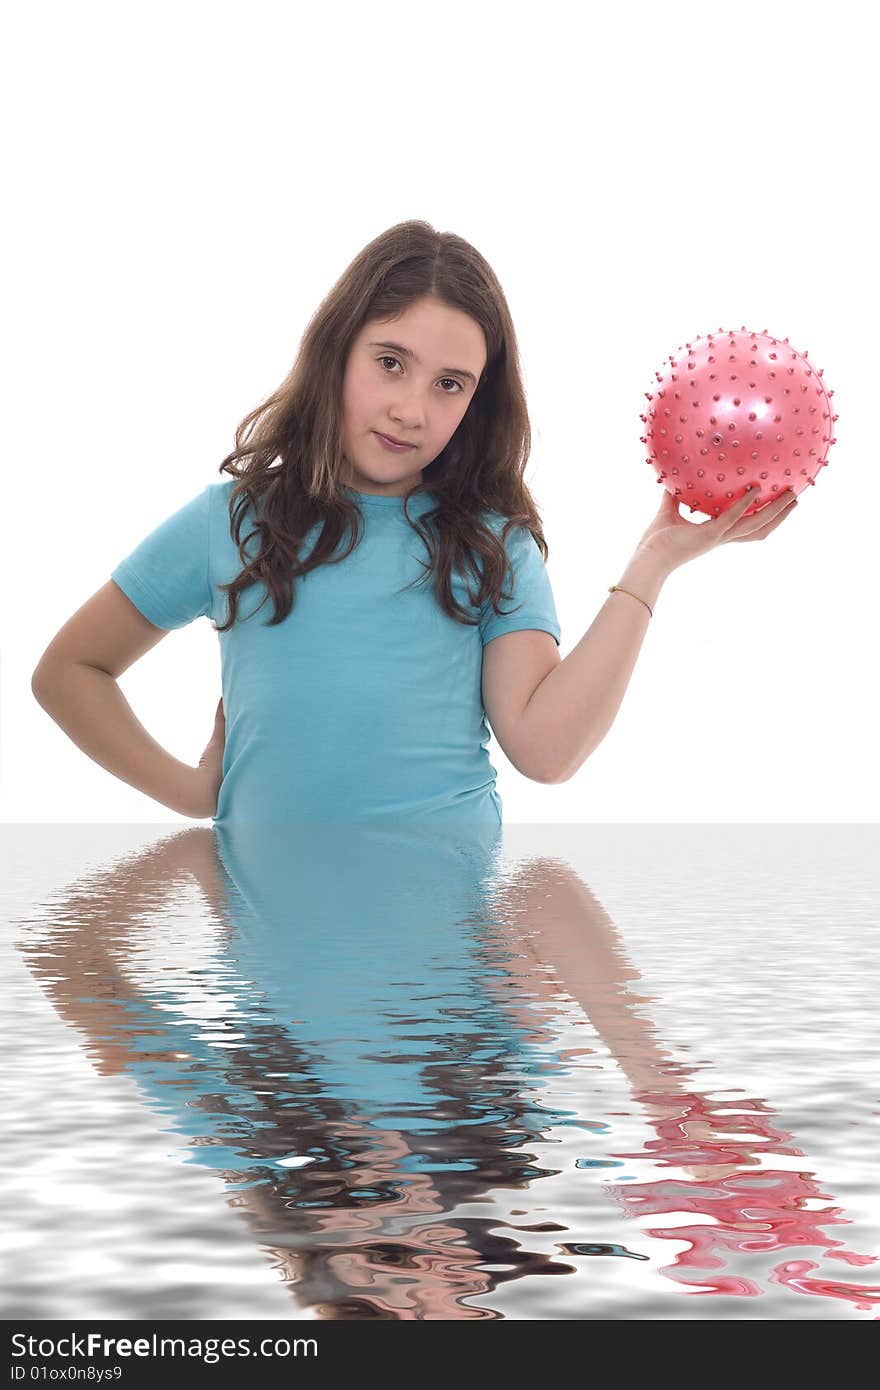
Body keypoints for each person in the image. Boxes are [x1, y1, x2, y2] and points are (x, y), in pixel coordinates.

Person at [30, 220, 798, 827]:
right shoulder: (232, 523)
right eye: (390, 363)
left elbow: (547, 749)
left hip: (449, 987)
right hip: (278, 978)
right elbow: (68, 672)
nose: (411, 409)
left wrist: (652, 563)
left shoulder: (492, 542)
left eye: (449, 384)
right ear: (337, 351)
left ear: (476, 403)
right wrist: (195, 792)